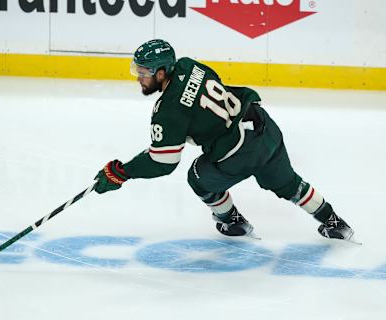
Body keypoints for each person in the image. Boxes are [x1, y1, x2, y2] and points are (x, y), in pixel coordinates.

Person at [94, 39, 354, 241]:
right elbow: (206, 93)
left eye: (144, 72)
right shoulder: (188, 65)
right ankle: (334, 222)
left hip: (238, 151)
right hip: (263, 125)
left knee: (197, 178)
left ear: (161, 73)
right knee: (289, 183)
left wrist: (122, 172)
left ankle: (231, 220)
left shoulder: (167, 111)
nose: (139, 77)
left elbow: (164, 162)